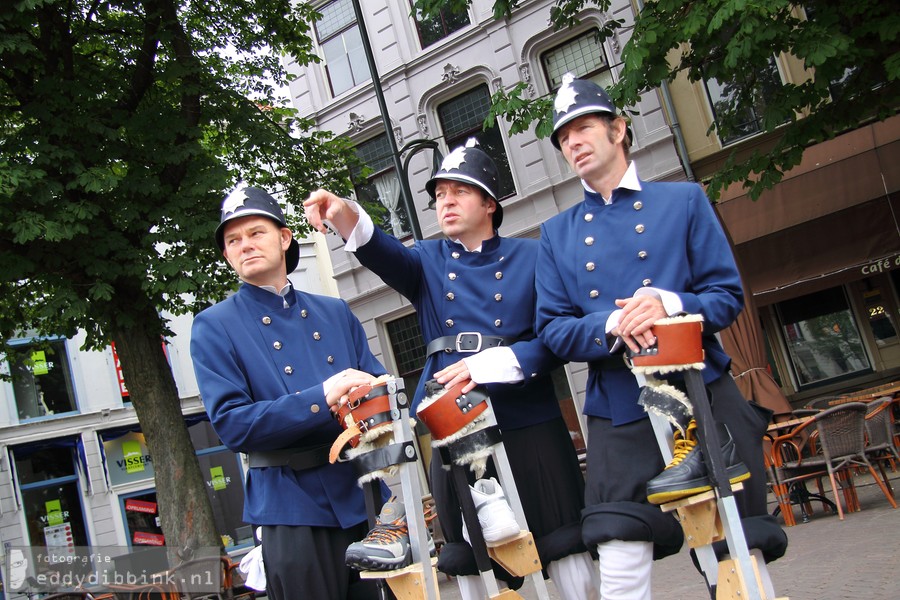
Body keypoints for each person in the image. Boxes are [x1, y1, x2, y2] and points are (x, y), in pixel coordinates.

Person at [304, 141, 600, 600]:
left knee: (564, 546)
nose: (445, 201)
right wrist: (342, 212)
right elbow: (381, 251)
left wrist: (502, 363)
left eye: (459, 191)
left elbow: (557, 337)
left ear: (489, 203)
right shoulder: (428, 260)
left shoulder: (535, 256)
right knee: (470, 560)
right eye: (439, 193)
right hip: (452, 422)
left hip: (528, 420)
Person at [534, 74, 774, 599]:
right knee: (617, 543)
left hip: (701, 393)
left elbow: (725, 296)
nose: (572, 142)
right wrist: (612, 324)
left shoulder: (684, 201)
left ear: (618, 129)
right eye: (562, 137)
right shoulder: (556, 232)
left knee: (732, 544)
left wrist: (667, 303)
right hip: (619, 408)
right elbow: (552, 330)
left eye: (583, 127)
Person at [190, 186, 388, 600]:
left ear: (284, 238)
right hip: (290, 506)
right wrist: (322, 397)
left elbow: (377, 391)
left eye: (255, 232)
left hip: (361, 493)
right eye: (233, 240)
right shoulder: (214, 325)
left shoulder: (333, 311)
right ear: (227, 256)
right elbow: (232, 424)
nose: (244, 245)